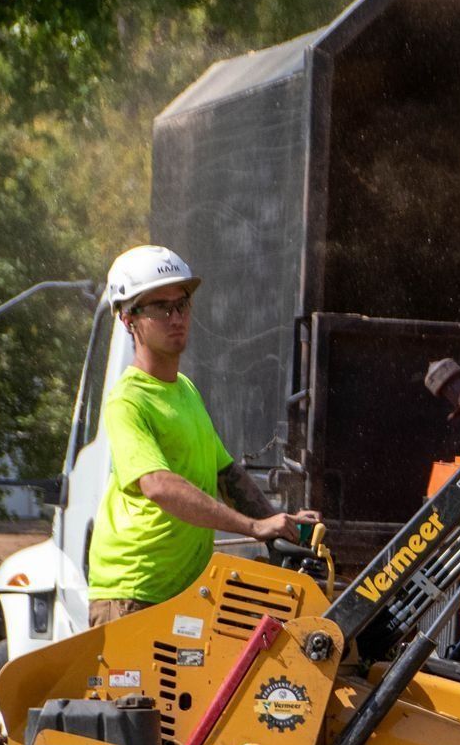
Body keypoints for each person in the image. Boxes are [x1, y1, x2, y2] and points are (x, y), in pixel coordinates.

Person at [86, 245, 319, 625]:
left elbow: (226, 474)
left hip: (184, 590)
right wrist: (253, 527)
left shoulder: (185, 391)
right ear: (129, 319)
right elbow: (159, 485)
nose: (176, 317)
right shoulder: (127, 400)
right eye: (161, 308)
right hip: (132, 593)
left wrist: (280, 524)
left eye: (183, 304)